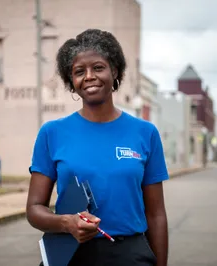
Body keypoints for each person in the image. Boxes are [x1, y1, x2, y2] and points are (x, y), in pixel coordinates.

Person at [26, 29, 169, 266]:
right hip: (70, 252)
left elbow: (156, 214)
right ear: (71, 82)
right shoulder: (52, 133)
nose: (89, 76)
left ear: (115, 71)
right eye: (79, 72)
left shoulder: (145, 133)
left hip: (129, 255)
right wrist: (66, 223)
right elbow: (34, 209)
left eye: (98, 68)